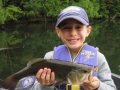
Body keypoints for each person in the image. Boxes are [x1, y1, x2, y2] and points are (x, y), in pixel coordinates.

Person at [13, 6, 116, 90]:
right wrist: (45, 85)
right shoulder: (50, 57)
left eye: (78, 27)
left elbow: (112, 88)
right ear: (58, 32)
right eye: (67, 28)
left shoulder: (99, 58)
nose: (73, 33)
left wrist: (98, 86)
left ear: (88, 31)